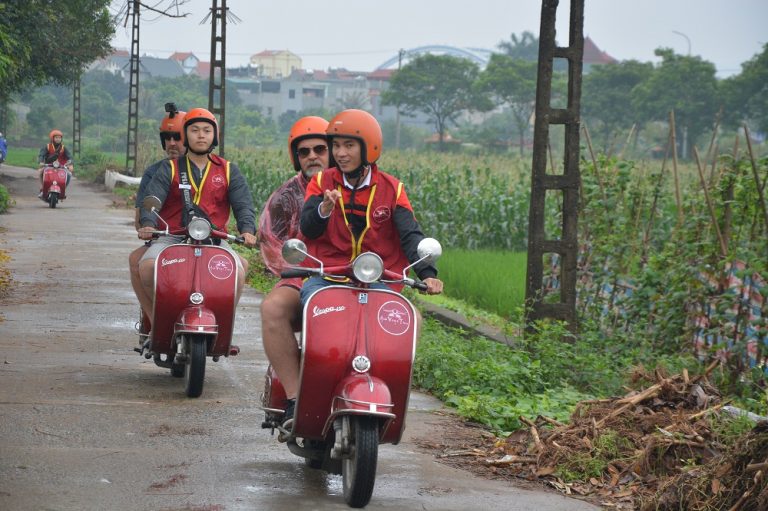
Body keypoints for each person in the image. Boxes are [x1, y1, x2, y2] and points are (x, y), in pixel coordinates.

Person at [290, 109, 443, 426]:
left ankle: (385, 387)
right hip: (329, 276)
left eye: (349, 145)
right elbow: (308, 228)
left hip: (378, 279)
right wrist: (323, 208)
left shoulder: (392, 189)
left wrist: (427, 273)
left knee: (407, 321)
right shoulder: (321, 183)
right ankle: (311, 384)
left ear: (368, 148)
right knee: (316, 320)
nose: (341, 153)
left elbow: (410, 233)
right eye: (337, 146)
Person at [137, 108, 258, 328]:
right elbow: (153, 196)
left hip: (215, 239)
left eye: (206, 130)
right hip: (173, 237)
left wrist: (247, 229)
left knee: (239, 270)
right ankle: (163, 318)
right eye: (194, 130)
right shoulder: (169, 168)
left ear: (215, 136)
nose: (201, 135)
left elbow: (244, 205)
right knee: (147, 267)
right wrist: (147, 222)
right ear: (186, 135)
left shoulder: (229, 170)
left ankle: (221, 323)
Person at [258, 116, 329, 414]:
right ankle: (294, 399)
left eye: (319, 149)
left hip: (354, 280)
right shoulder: (285, 197)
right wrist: (297, 265)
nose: (312, 156)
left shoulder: (360, 188)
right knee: (272, 308)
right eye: (304, 152)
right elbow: (273, 241)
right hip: (302, 277)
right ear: (296, 158)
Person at [128, 105, 186, 324]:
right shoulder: (154, 172)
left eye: (177, 137)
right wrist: (147, 226)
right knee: (136, 260)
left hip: (201, 240)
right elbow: (141, 215)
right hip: (165, 238)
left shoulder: (208, 168)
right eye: (167, 137)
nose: (172, 143)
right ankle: (156, 323)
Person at [37, 129, 73, 197]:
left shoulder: (63, 147)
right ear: (52, 138)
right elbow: (41, 155)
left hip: (61, 166)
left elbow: (70, 156)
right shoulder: (47, 146)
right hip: (48, 165)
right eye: (56, 137)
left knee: (69, 174)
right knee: (40, 172)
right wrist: (41, 162)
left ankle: (63, 189)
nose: (58, 139)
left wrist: (70, 164)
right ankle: (43, 188)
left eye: (59, 138)